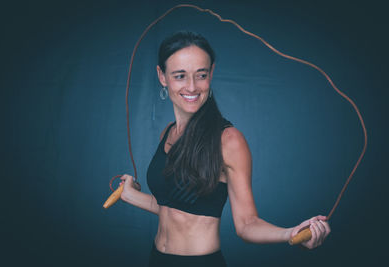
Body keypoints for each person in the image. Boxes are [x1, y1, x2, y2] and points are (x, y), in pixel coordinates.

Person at [119, 31, 331, 266]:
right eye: (180, 75)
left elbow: (247, 224)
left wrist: (290, 233)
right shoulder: (168, 133)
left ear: (212, 73)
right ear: (162, 76)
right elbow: (173, 210)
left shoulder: (228, 140)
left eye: (201, 75)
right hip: (157, 259)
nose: (192, 87)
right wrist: (131, 195)